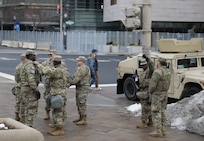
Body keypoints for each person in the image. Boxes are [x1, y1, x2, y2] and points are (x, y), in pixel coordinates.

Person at [35, 55, 72, 136]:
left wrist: (39, 65)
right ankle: (57, 126)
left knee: (58, 112)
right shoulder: (63, 69)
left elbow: (46, 71)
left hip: (58, 93)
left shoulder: (58, 71)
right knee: (56, 111)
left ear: (54, 62)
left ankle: (60, 129)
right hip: (57, 92)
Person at [149, 58, 171, 137]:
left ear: (159, 63)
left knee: (156, 111)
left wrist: (150, 91)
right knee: (163, 111)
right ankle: (163, 130)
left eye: (157, 62)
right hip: (165, 93)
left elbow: (152, 85)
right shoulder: (168, 71)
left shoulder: (157, 72)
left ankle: (158, 130)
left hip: (157, 94)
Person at [20, 50, 41, 127]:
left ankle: (26, 124)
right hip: (30, 90)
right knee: (31, 108)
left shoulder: (24, 64)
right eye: (34, 55)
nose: (35, 57)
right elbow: (31, 79)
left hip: (25, 88)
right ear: (30, 56)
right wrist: (36, 89)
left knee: (26, 106)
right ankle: (29, 126)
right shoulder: (30, 66)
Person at [69, 56, 91, 125]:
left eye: (79, 61)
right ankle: (81, 117)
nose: (77, 62)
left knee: (82, 103)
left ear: (82, 61)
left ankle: (84, 119)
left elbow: (77, 79)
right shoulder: (78, 68)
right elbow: (74, 77)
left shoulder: (83, 68)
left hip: (83, 88)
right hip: (79, 87)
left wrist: (69, 83)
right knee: (78, 103)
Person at [136, 54, 154, 128]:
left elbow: (152, 67)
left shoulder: (149, 72)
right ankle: (150, 121)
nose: (142, 66)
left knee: (145, 108)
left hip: (147, 91)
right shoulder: (143, 72)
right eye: (141, 65)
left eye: (144, 65)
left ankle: (143, 122)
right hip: (143, 90)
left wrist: (148, 59)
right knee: (147, 107)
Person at [42, 49, 56, 120]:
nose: (50, 56)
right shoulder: (46, 62)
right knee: (47, 99)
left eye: (51, 55)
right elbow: (41, 69)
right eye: (49, 55)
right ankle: (47, 113)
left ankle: (55, 116)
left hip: (55, 85)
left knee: (55, 100)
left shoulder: (59, 62)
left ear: (55, 54)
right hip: (48, 84)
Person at [14, 53, 26, 122]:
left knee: (17, 101)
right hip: (23, 86)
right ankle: (23, 117)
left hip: (18, 85)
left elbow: (16, 78)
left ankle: (16, 114)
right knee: (23, 102)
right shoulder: (25, 67)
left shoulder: (18, 66)